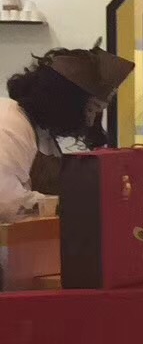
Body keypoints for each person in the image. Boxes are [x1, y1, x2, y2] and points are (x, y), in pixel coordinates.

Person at [0, 44, 132, 220]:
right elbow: (7, 202)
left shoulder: (41, 131)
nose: (90, 121)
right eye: (91, 109)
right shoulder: (9, 124)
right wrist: (79, 205)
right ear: (66, 101)